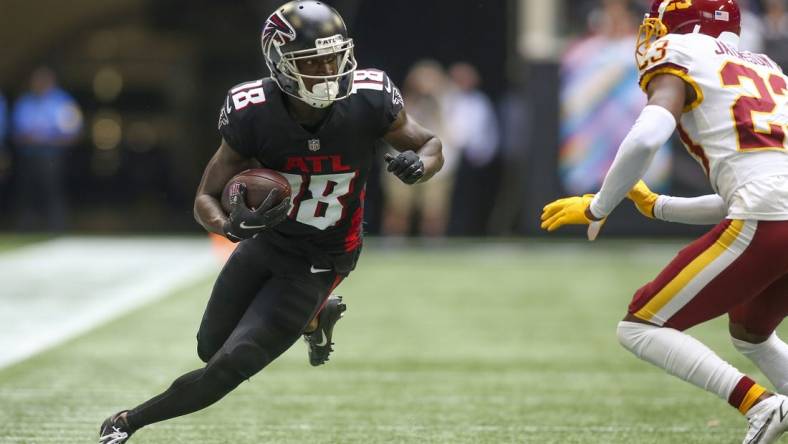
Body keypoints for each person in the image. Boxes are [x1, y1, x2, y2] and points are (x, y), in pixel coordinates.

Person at [98, 2, 443, 443]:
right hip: (268, 241)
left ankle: (126, 423)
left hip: (323, 257)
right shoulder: (253, 110)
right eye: (313, 62)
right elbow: (204, 196)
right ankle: (315, 320)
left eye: (335, 58)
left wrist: (421, 163)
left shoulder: (369, 96)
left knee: (228, 365)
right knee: (209, 347)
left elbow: (430, 142)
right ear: (280, 64)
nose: (329, 71)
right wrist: (229, 226)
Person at [541, 1, 788, 442]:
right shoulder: (767, 67)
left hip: (767, 216)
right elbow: (754, 187)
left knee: (640, 326)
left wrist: (600, 205)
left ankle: (761, 404)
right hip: (772, 210)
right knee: (750, 332)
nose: (651, 32)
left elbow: (648, 135)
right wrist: (658, 206)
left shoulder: (682, 49)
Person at [11, 67, 82, 232]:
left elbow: (73, 132)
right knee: (26, 193)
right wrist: (30, 138)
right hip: (28, 155)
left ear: (52, 82)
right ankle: (25, 228)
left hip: (52, 156)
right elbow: (16, 131)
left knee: (53, 192)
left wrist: (47, 139)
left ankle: (57, 228)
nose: (39, 84)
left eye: (43, 80)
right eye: (36, 80)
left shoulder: (63, 102)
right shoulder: (25, 102)